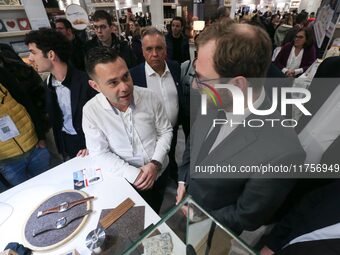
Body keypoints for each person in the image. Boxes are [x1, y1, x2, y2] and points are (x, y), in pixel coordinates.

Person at [176, 22, 306, 234]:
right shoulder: (215, 98)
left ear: (237, 85)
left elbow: (247, 215)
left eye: (201, 79)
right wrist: (183, 180)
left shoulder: (283, 152)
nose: (194, 86)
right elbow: (194, 141)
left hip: (215, 232)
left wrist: (198, 217)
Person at [83, 47, 173, 212]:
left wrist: (154, 164)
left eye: (126, 77)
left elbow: (165, 131)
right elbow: (99, 152)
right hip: (125, 181)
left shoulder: (150, 97)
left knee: (156, 211)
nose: (125, 87)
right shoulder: (91, 111)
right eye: (113, 82)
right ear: (95, 86)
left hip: (159, 172)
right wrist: (134, 174)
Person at [25, 28, 97, 160]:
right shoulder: (48, 83)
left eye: (33, 53)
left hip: (91, 145)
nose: (30, 59)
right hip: (66, 144)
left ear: (51, 55)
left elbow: (102, 119)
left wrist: (94, 145)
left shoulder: (86, 82)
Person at [130, 27, 186, 182]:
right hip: (150, 135)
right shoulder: (134, 75)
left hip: (173, 129)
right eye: (149, 49)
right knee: (154, 163)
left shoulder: (175, 68)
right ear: (142, 51)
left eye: (159, 48)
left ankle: (172, 175)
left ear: (165, 49)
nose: (154, 54)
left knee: (171, 155)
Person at [0, 68, 50, 188]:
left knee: (50, 186)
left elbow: (26, 100)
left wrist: (41, 135)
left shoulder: (1, 74)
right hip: (7, 162)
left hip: (35, 146)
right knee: (24, 198)